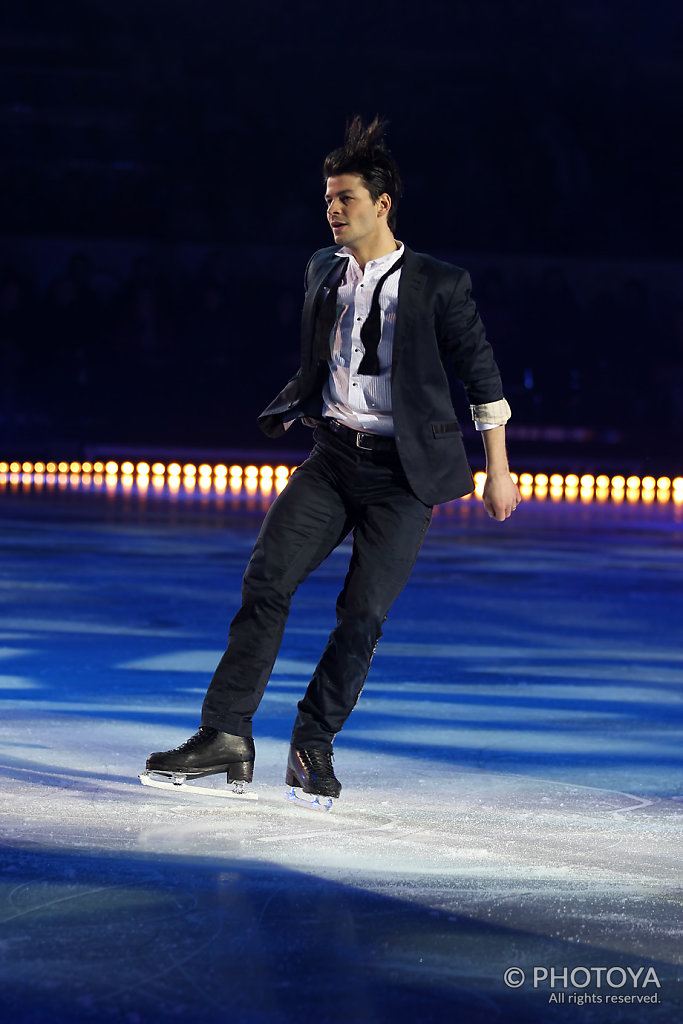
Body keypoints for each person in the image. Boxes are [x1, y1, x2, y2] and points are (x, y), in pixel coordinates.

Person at [145, 116, 520, 802]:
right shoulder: (322, 269)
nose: (332, 209)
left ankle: (312, 744)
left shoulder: (438, 283)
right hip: (331, 455)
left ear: (381, 204)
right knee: (266, 580)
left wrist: (496, 467)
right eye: (327, 198)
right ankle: (226, 736)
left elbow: (482, 374)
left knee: (362, 615)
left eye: (344, 197)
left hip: (403, 474)